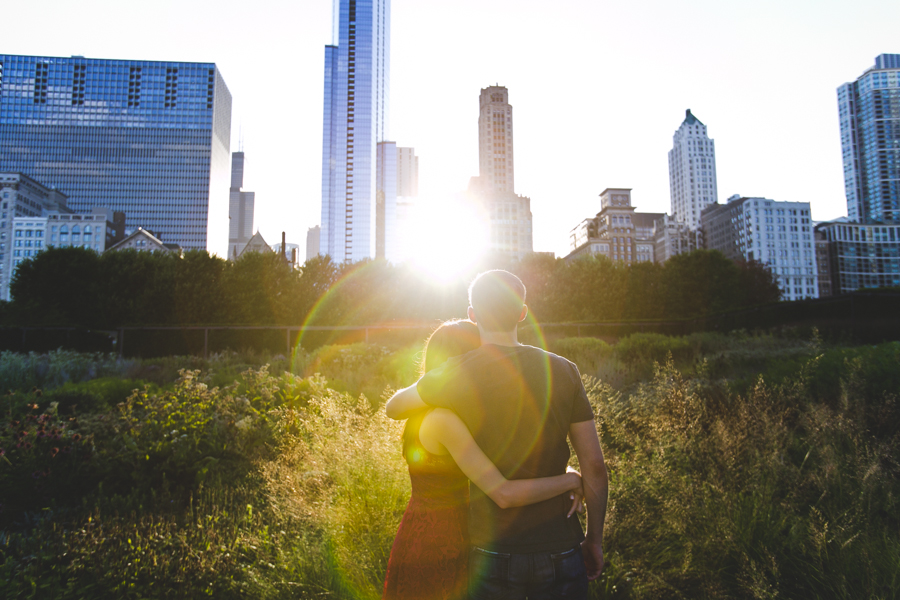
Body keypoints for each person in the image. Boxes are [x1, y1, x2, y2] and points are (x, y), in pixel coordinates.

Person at [386, 270, 609, 600]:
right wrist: (593, 539)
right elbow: (595, 465)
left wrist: (436, 381)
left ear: (473, 316)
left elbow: (394, 407)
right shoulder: (564, 370)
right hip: (561, 542)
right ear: (522, 312)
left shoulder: (456, 372)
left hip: (492, 551)